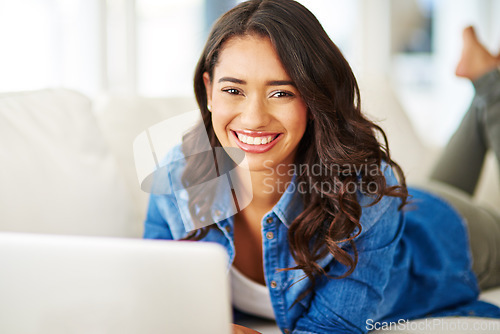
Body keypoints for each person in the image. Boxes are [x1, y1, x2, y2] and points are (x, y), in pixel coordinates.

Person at [143, 1, 500, 333]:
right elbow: (156, 294)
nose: (253, 119)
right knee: (436, 184)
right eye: (233, 90)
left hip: (446, 234)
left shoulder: (366, 195)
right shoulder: (178, 178)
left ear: (314, 98)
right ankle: (486, 81)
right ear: (209, 91)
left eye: (281, 93)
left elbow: (331, 327)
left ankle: (491, 84)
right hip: (406, 200)